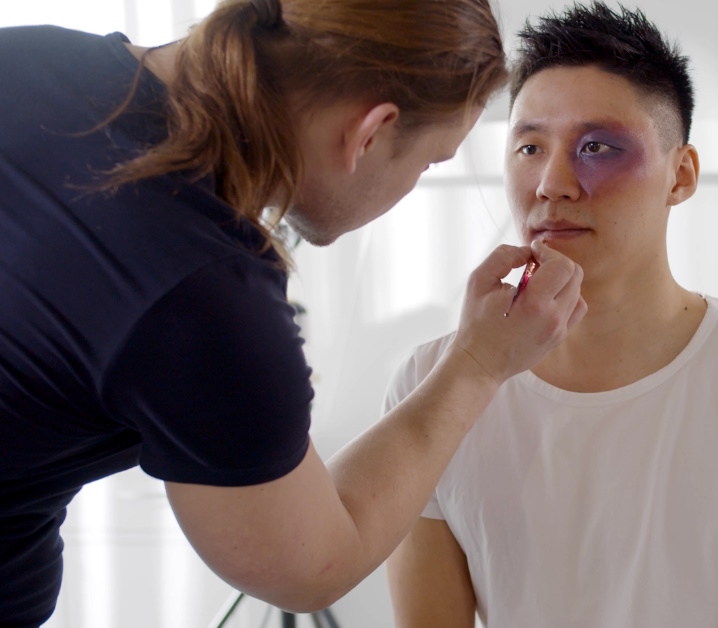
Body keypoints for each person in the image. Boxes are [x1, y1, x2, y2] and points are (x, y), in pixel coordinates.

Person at [0, 0, 587, 624]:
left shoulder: (29, 52)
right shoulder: (206, 296)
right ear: (370, 132)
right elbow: (312, 568)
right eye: (430, 160)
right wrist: (474, 364)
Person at [383, 3, 718, 627]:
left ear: (681, 175)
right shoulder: (435, 386)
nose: (552, 183)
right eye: (530, 146)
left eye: (597, 146)